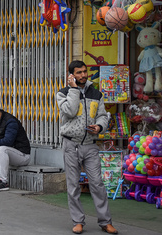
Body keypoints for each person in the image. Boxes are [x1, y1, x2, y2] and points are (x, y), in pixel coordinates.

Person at [56, 60, 118, 234]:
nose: (83, 75)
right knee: (73, 185)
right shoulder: (62, 93)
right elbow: (70, 111)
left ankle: (106, 222)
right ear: (71, 75)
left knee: (97, 183)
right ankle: (78, 221)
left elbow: (103, 116)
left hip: (90, 145)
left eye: (84, 72)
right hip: (71, 144)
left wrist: (99, 127)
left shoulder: (96, 94)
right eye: (78, 73)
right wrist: (74, 89)